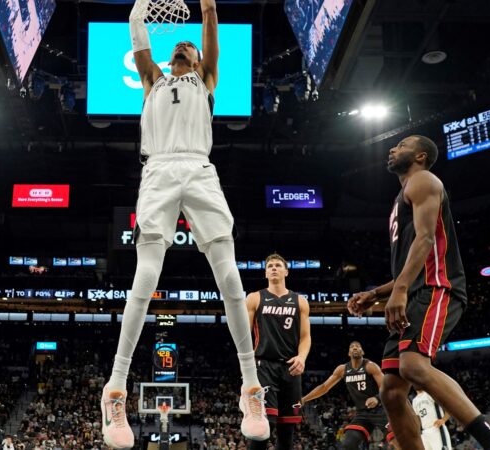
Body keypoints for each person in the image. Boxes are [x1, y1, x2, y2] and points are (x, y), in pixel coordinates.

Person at [100, 0, 269, 446]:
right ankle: (115, 389)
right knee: (145, 275)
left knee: (229, 276)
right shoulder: (152, 79)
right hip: (157, 169)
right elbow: (138, 37)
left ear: (198, 61)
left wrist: (208, 7)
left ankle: (250, 386)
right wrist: (138, 12)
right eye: (178, 44)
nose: (182, 45)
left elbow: (210, 20)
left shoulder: (206, 79)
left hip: (199, 169)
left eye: (189, 47)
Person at [348, 135, 490, 450]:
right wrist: (377, 293)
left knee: (412, 366)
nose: (392, 149)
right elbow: (412, 262)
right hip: (418, 288)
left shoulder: (422, 180)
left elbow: (425, 240)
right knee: (391, 391)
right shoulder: (400, 198)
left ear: (420, 155)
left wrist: (402, 290)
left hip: (437, 288)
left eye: (402, 145)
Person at [244, 253, 310, 450]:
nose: (274, 268)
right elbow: (244, 336)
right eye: (270, 266)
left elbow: (305, 337)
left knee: (287, 433)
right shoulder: (255, 298)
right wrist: (247, 369)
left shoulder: (300, 301)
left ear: (286, 271)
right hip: (263, 366)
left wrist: (302, 357)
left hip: (290, 368)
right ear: (265, 272)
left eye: (278, 265)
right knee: (263, 427)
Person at [300, 341, 387, 449]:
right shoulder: (342, 369)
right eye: (352, 347)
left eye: (358, 346)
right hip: (362, 414)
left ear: (362, 352)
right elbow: (324, 387)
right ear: (349, 353)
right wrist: (304, 399)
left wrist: (377, 398)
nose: (355, 348)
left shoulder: (370, 366)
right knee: (348, 444)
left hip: (381, 410)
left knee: (396, 440)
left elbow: (386, 387)